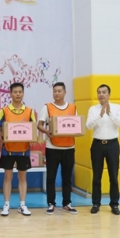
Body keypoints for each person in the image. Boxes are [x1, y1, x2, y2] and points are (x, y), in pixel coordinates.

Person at [0, 82, 36, 216]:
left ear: (23, 93)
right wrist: (0, 136)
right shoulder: (4, 110)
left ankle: (22, 205)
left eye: (20, 92)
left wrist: (33, 138)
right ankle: (6, 205)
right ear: (10, 94)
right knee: (8, 177)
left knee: (22, 178)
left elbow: (33, 129)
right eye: (15, 92)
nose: (18, 94)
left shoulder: (29, 111)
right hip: (8, 150)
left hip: (24, 150)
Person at [37, 82, 78, 215]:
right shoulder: (47, 107)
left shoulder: (72, 107)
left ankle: (67, 203)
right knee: (51, 177)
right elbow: (39, 125)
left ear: (65, 92)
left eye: (59, 91)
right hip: (52, 147)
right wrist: (47, 132)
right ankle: (51, 203)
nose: (57, 93)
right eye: (54, 91)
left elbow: (77, 125)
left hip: (69, 147)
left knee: (67, 177)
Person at [86, 84, 120, 215]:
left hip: (112, 144)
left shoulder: (117, 108)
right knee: (96, 176)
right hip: (97, 145)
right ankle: (96, 203)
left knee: (113, 176)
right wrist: (100, 115)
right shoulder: (93, 109)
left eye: (104, 92)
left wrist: (109, 114)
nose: (101, 94)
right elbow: (88, 126)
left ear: (109, 94)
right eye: (99, 92)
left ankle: (114, 204)